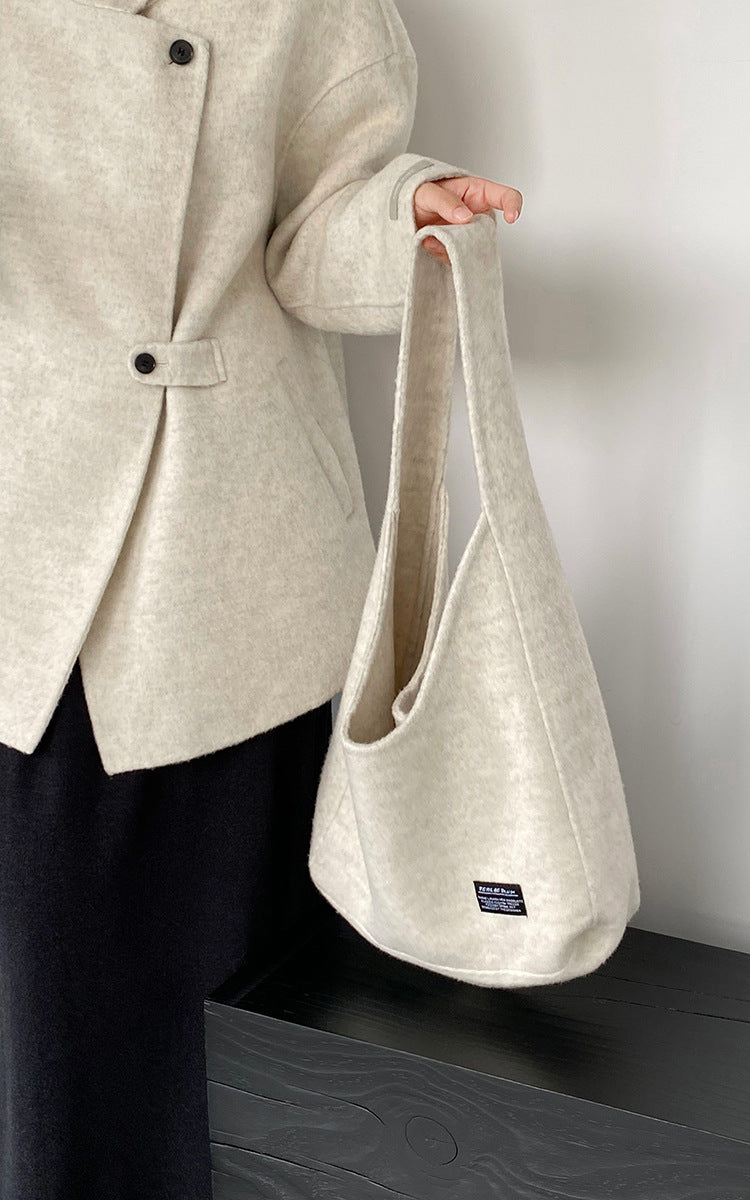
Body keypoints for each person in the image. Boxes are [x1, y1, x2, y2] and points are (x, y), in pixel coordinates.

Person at [0, 0, 523, 1196]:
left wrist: (403, 218)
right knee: (48, 1074)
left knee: (227, 1079)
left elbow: (316, 224)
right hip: (27, 554)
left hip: (223, 577)